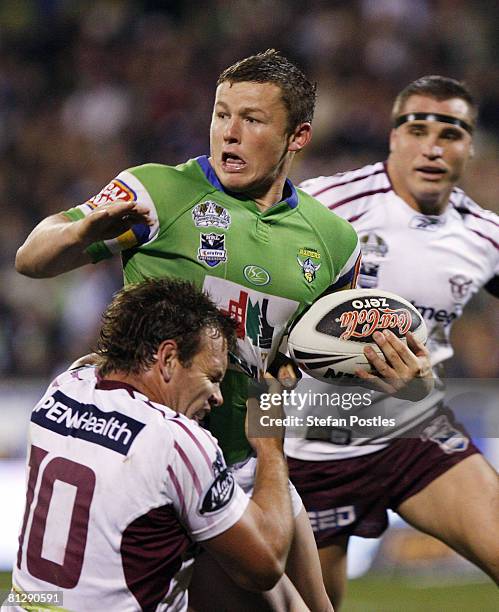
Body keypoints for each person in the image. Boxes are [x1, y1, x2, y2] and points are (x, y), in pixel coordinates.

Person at [15, 49, 429, 610]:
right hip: (154, 462)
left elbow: (322, 358)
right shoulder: (160, 194)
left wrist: (398, 376)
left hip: (249, 461)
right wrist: (76, 232)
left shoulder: (333, 242)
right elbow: (31, 260)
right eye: (221, 114)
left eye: (253, 120)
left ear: (298, 136)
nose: (229, 133)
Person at [288, 75, 499, 608]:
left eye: (451, 133)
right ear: (392, 137)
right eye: (417, 128)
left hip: (414, 426)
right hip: (307, 443)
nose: (432, 146)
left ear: (470, 147)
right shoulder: (323, 205)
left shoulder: (483, 236)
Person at [12, 277, 300, 611]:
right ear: (167, 358)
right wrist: (270, 446)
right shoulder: (175, 440)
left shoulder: (63, 389)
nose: (218, 397)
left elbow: (93, 363)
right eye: (212, 377)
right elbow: (265, 565)